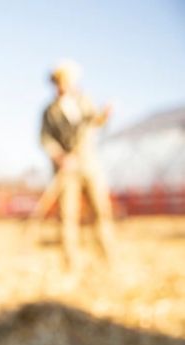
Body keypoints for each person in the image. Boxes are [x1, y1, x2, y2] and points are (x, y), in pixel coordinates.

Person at [40, 60, 114, 269]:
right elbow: (46, 140)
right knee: (67, 216)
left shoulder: (84, 101)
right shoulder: (49, 111)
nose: (63, 85)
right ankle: (70, 262)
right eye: (60, 81)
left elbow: (94, 121)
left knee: (101, 210)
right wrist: (60, 157)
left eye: (67, 81)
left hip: (89, 165)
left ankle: (107, 255)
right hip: (66, 171)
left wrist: (105, 116)